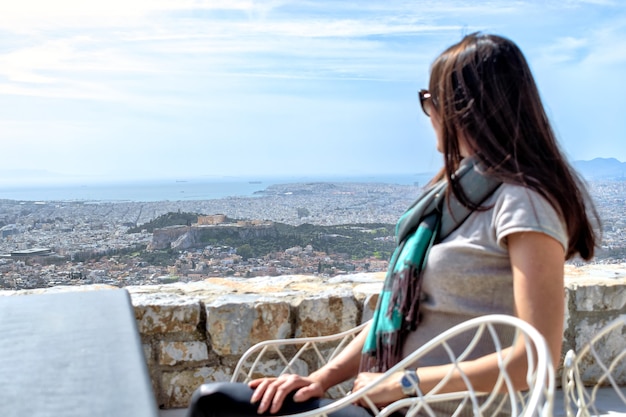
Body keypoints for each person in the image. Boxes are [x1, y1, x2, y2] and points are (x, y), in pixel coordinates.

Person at [186, 32, 599, 417]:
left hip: (429, 409)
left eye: (429, 98)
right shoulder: (455, 197)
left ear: (460, 108)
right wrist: (322, 378)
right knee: (228, 400)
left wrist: (403, 383)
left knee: (217, 404)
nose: (427, 112)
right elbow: (398, 314)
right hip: (383, 403)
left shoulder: (522, 203)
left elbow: (533, 360)